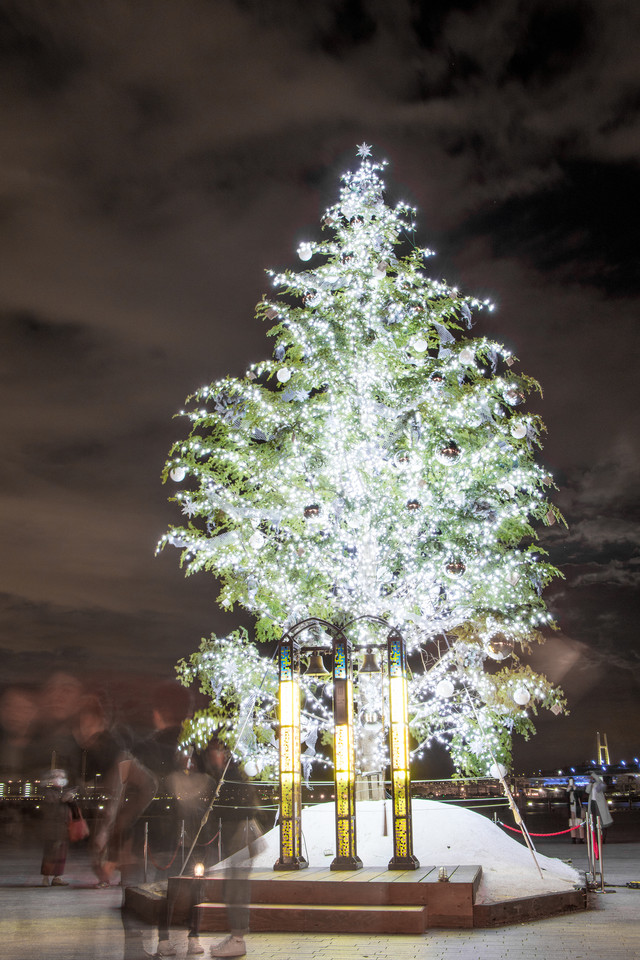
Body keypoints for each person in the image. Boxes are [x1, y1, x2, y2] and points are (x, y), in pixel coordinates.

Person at [40, 768, 74, 886]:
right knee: (50, 853)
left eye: (63, 777)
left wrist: (70, 799)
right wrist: (62, 799)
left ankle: (57, 877)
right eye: (58, 777)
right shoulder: (48, 792)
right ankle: (45, 877)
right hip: (52, 828)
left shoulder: (63, 791)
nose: (61, 779)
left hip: (63, 828)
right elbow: (50, 807)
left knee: (61, 854)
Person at [586, 771, 613, 841]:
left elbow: (600, 785)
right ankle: (596, 837)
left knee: (602, 821)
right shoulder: (592, 784)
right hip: (592, 803)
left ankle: (602, 838)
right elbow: (587, 791)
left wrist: (593, 775)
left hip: (599, 804)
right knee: (593, 820)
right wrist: (590, 783)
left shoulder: (600, 784)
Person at [566, 777, 585, 843]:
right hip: (571, 808)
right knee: (572, 823)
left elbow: (580, 795)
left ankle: (581, 838)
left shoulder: (578, 789)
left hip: (577, 808)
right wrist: (568, 789)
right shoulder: (568, 790)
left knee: (579, 823)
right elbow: (565, 797)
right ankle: (573, 837)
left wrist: (575, 788)